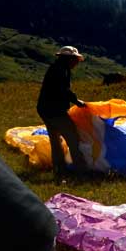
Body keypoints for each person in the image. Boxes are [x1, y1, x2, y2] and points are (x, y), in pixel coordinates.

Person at [36, 46, 90, 177]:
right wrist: (77, 101)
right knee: (73, 138)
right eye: (75, 60)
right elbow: (63, 90)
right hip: (55, 111)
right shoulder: (60, 71)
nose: (77, 63)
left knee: (55, 140)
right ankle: (81, 170)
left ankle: (60, 170)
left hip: (44, 109)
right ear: (69, 59)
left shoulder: (57, 68)